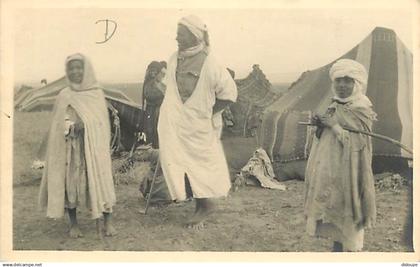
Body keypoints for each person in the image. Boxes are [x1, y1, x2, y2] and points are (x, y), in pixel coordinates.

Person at [158, 15, 238, 229]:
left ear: (193, 36)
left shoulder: (211, 62)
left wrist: (209, 112)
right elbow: (171, 91)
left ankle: (206, 205)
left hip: (200, 126)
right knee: (179, 163)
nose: (176, 38)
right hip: (175, 125)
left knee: (202, 165)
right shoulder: (174, 58)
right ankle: (198, 206)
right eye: (176, 33)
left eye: (180, 34)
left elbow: (229, 94)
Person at [39, 53, 117, 238]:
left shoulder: (97, 94)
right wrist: (72, 126)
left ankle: (108, 221)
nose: (75, 71)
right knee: (71, 182)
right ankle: (73, 224)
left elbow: (102, 123)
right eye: (71, 68)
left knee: (101, 179)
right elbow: (59, 122)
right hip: (72, 147)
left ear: (86, 69)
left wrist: (88, 125)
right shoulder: (64, 95)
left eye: (78, 67)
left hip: (95, 147)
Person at [304, 59, 377, 252]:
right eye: (338, 81)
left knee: (348, 206)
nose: (342, 85)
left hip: (349, 170)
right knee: (332, 207)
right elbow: (325, 134)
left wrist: (334, 126)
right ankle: (338, 248)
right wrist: (321, 125)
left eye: (348, 81)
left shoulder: (361, 108)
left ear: (357, 84)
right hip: (330, 168)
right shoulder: (335, 104)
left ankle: (349, 251)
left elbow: (359, 144)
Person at [142, 61, 167, 148]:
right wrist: (163, 96)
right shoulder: (150, 84)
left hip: (158, 110)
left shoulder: (160, 84)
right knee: (152, 131)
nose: (163, 76)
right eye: (162, 73)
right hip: (152, 111)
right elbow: (148, 95)